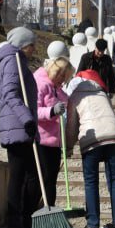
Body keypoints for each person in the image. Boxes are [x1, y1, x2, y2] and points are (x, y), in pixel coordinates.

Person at [65, 69, 115, 228]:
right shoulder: (102, 93)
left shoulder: (74, 97)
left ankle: (93, 224)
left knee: (91, 181)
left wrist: (68, 146)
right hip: (114, 137)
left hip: (92, 140)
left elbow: (72, 126)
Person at [0, 26, 42, 228]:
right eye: (32, 45)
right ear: (25, 45)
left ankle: (22, 225)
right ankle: (18, 225)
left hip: (18, 127)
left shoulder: (15, 61)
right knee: (22, 178)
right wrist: (28, 120)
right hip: (18, 127)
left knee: (25, 177)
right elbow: (11, 94)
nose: (34, 49)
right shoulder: (13, 60)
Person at [34, 56, 73, 208]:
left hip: (54, 143)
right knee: (40, 181)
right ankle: (31, 215)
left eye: (66, 77)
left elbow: (65, 99)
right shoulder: (40, 84)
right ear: (54, 70)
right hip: (41, 141)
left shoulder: (55, 88)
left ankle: (49, 215)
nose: (63, 80)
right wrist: (51, 111)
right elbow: (33, 111)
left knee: (51, 181)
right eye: (61, 75)